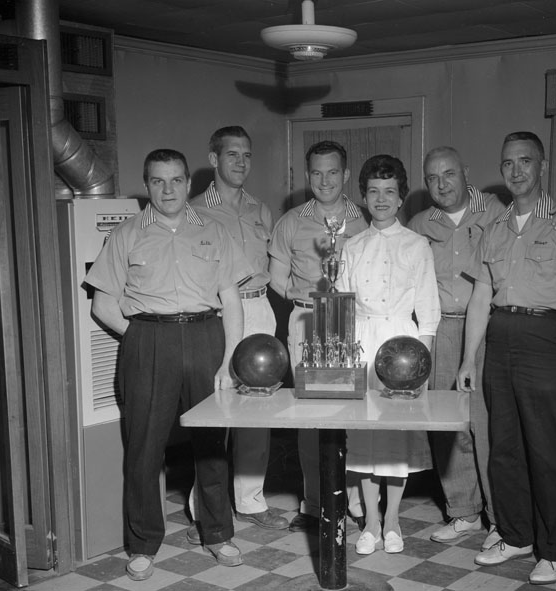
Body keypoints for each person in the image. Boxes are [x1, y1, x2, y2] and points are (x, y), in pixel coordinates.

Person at [85, 149, 253, 580]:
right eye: (158, 181)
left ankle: (218, 534)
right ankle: (142, 544)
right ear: (147, 185)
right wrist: (143, 338)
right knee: (144, 446)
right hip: (147, 339)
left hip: (205, 336)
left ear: (189, 183)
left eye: (176, 180)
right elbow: (104, 305)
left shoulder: (215, 231)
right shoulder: (126, 234)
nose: (168, 189)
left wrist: (229, 359)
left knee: (213, 443)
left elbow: (231, 299)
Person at [408, 147, 556, 549]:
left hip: (490, 329)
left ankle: (501, 521)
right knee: (448, 428)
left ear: (466, 172)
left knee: (491, 430)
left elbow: (547, 210)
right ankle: (463, 512)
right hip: (440, 329)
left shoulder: (496, 209)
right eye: (432, 178)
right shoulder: (419, 224)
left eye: (449, 174)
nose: (442, 184)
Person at [457, 132, 556, 585]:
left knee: (546, 452)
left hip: (548, 341)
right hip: (499, 342)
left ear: (541, 167)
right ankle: (516, 534)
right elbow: (482, 297)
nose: (516, 171)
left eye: (525, 162)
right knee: (504, 448)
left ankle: (555, 548)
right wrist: (467, 360)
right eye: (508, 164)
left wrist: (553, 323)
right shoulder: (495, 227)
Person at [186, 126, 288, 535]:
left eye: (246, 155)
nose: (241, 162)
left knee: (259, 408)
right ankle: (204, 507)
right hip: (218, 314)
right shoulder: (193, 210)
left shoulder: (261, 209)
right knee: (216, 410)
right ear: (213, 159)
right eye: (232, 155)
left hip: (260, 307)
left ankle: (250, 500)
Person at [337, 154, 440, 555]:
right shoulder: (351, 245)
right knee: (363, 434)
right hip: (362, 341)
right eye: (373, 192)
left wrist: (421, 368)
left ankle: (393, 520)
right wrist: (344, 359)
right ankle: (371, 521)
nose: (381, 199)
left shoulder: (417, 245)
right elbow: (343, 307)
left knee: (396, 437)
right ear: (363, 197)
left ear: (401, 199)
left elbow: (428, 314)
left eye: (390, 192)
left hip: (402, 346)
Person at [268, 140, 369, 532]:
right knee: (309, 414)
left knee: (355, 411)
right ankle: (314, 502)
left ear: (345, 175)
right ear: (306, 175)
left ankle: (356, 503)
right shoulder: (291, 221)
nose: (324, 180)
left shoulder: (364, 219)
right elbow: (278, 280)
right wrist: (310, 306)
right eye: (315, 173)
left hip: (353, 322)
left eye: (332, 172)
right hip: (306, 321)